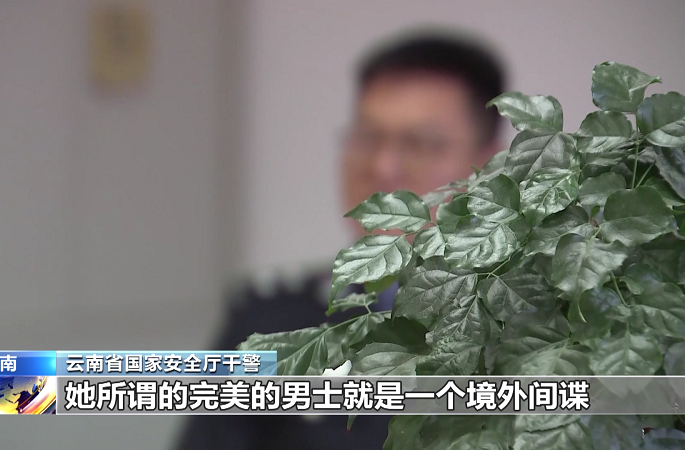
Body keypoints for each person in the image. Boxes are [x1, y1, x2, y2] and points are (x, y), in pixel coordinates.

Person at [174, 30, 506, 450]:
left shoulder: (543, 324)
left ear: (487, 163)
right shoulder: (270, 327)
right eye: (367, 137)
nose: (382, 166)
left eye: (420, 144)